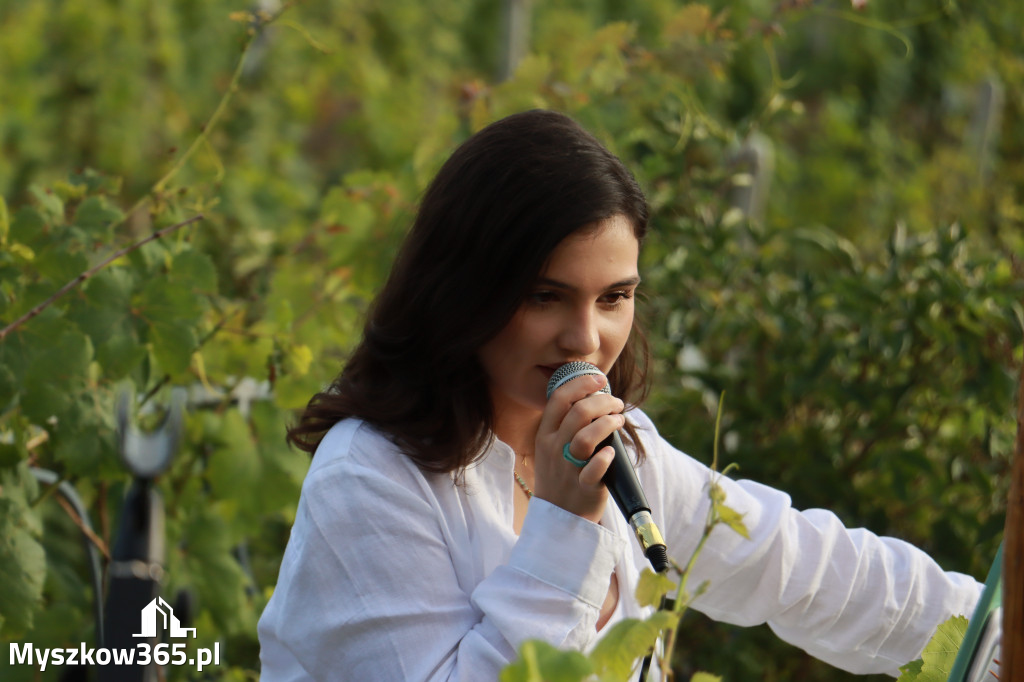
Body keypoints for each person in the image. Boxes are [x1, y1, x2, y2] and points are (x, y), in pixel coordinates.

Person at [257, 110, 985, 680]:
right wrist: (563, 525)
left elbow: (800, 566)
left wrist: (988, 636)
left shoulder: (621, 447)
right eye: (546, 296)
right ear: (464, 289)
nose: (585, 338)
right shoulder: (372, 478)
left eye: (614, 298)